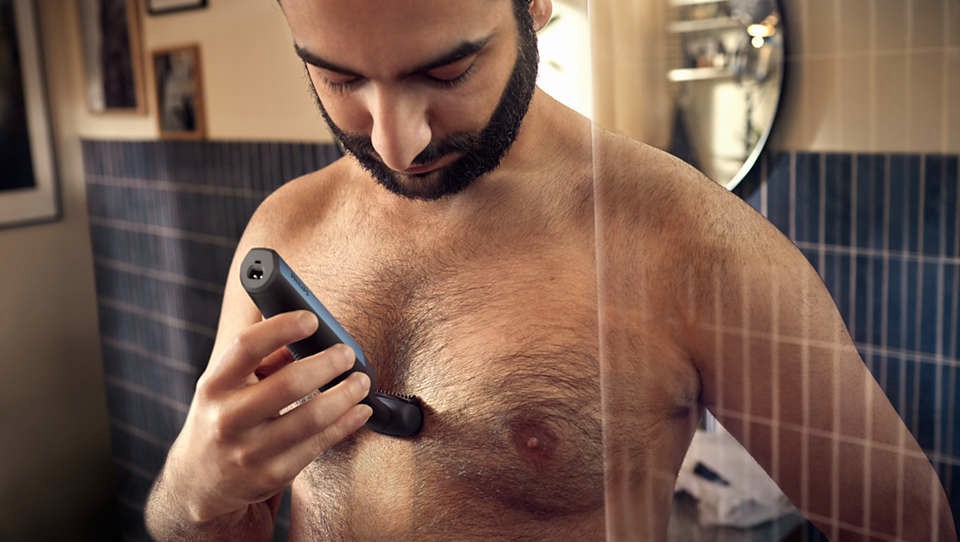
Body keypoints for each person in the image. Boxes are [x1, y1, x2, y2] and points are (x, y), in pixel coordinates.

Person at [144, 0, 956, 540]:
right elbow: (214, 524)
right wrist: (188, 493)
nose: (396, 143)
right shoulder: (285, 231)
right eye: (339, 78)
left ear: (535, 4)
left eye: (447, 72)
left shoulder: (692, 244)